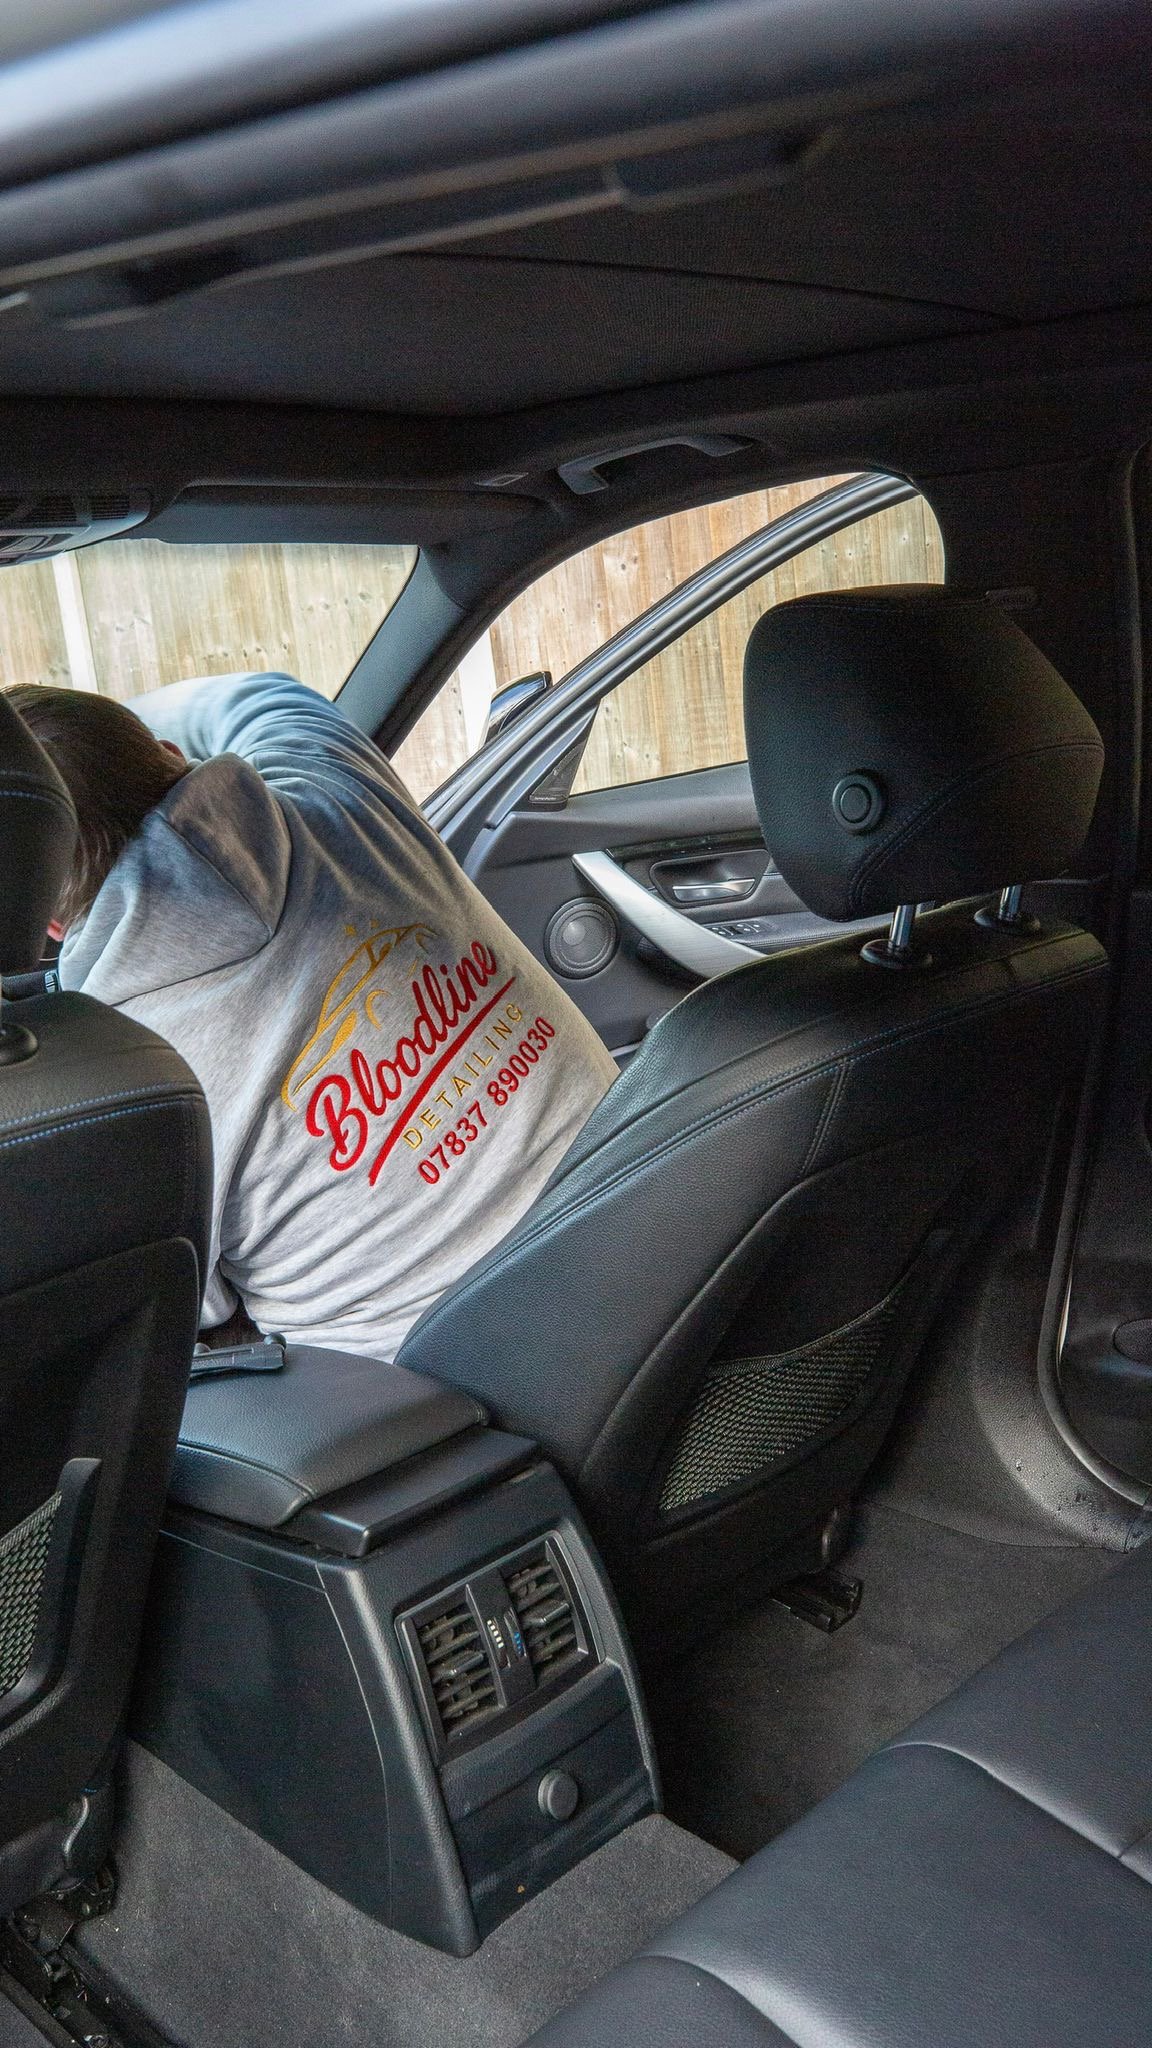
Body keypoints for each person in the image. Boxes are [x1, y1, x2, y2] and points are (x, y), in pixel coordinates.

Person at [8, 673, 618, 1358]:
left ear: (53, 926)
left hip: (460, 1393)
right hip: (649, 1227)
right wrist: (79, 740)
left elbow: (188, 1312)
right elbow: (252, 693)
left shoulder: (116, 1074)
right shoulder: (337, 781)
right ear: (172, 753)